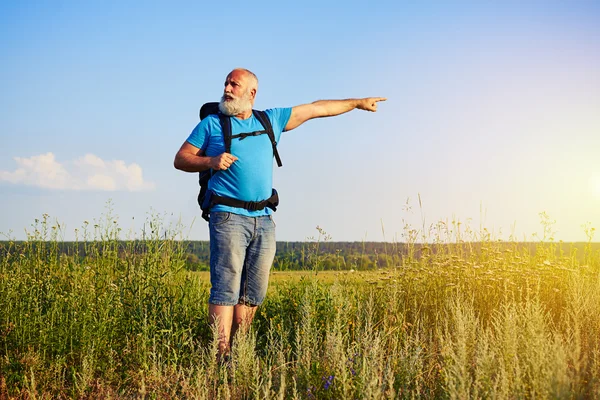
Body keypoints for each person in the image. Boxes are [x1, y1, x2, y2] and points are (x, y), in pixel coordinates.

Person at [174, 68, 385, 357]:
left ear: (251, 92)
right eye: (225, 83)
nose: (226, 88)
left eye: (233, 84)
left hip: (264, 219)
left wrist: (358, 103)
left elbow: (316, 108)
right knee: (226, 285)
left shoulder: (269, 119)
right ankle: (220, 354)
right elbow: (181, 158)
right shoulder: (211, 124)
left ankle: (239, 350)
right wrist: (211, 160)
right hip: (228, 216)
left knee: (253, 290)